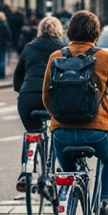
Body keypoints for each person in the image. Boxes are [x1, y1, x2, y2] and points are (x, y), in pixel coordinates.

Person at [42, 10, 108, 215]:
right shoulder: (103, 57)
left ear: (70, 31)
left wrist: (57, 117)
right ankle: (106, 205)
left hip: (62, 133)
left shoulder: (56, 57)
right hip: (97, 131)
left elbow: (47, 96)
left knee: (67, 173)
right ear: (96, 33)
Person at [13, 15, 65, 191]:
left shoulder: (29, 47)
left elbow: (17, 76)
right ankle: (60, 167)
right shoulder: (62, 48)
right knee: (59, 130)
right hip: (52, 97)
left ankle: (25, 172)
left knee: (32, 133)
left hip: (27, 98)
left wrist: (24, 92)